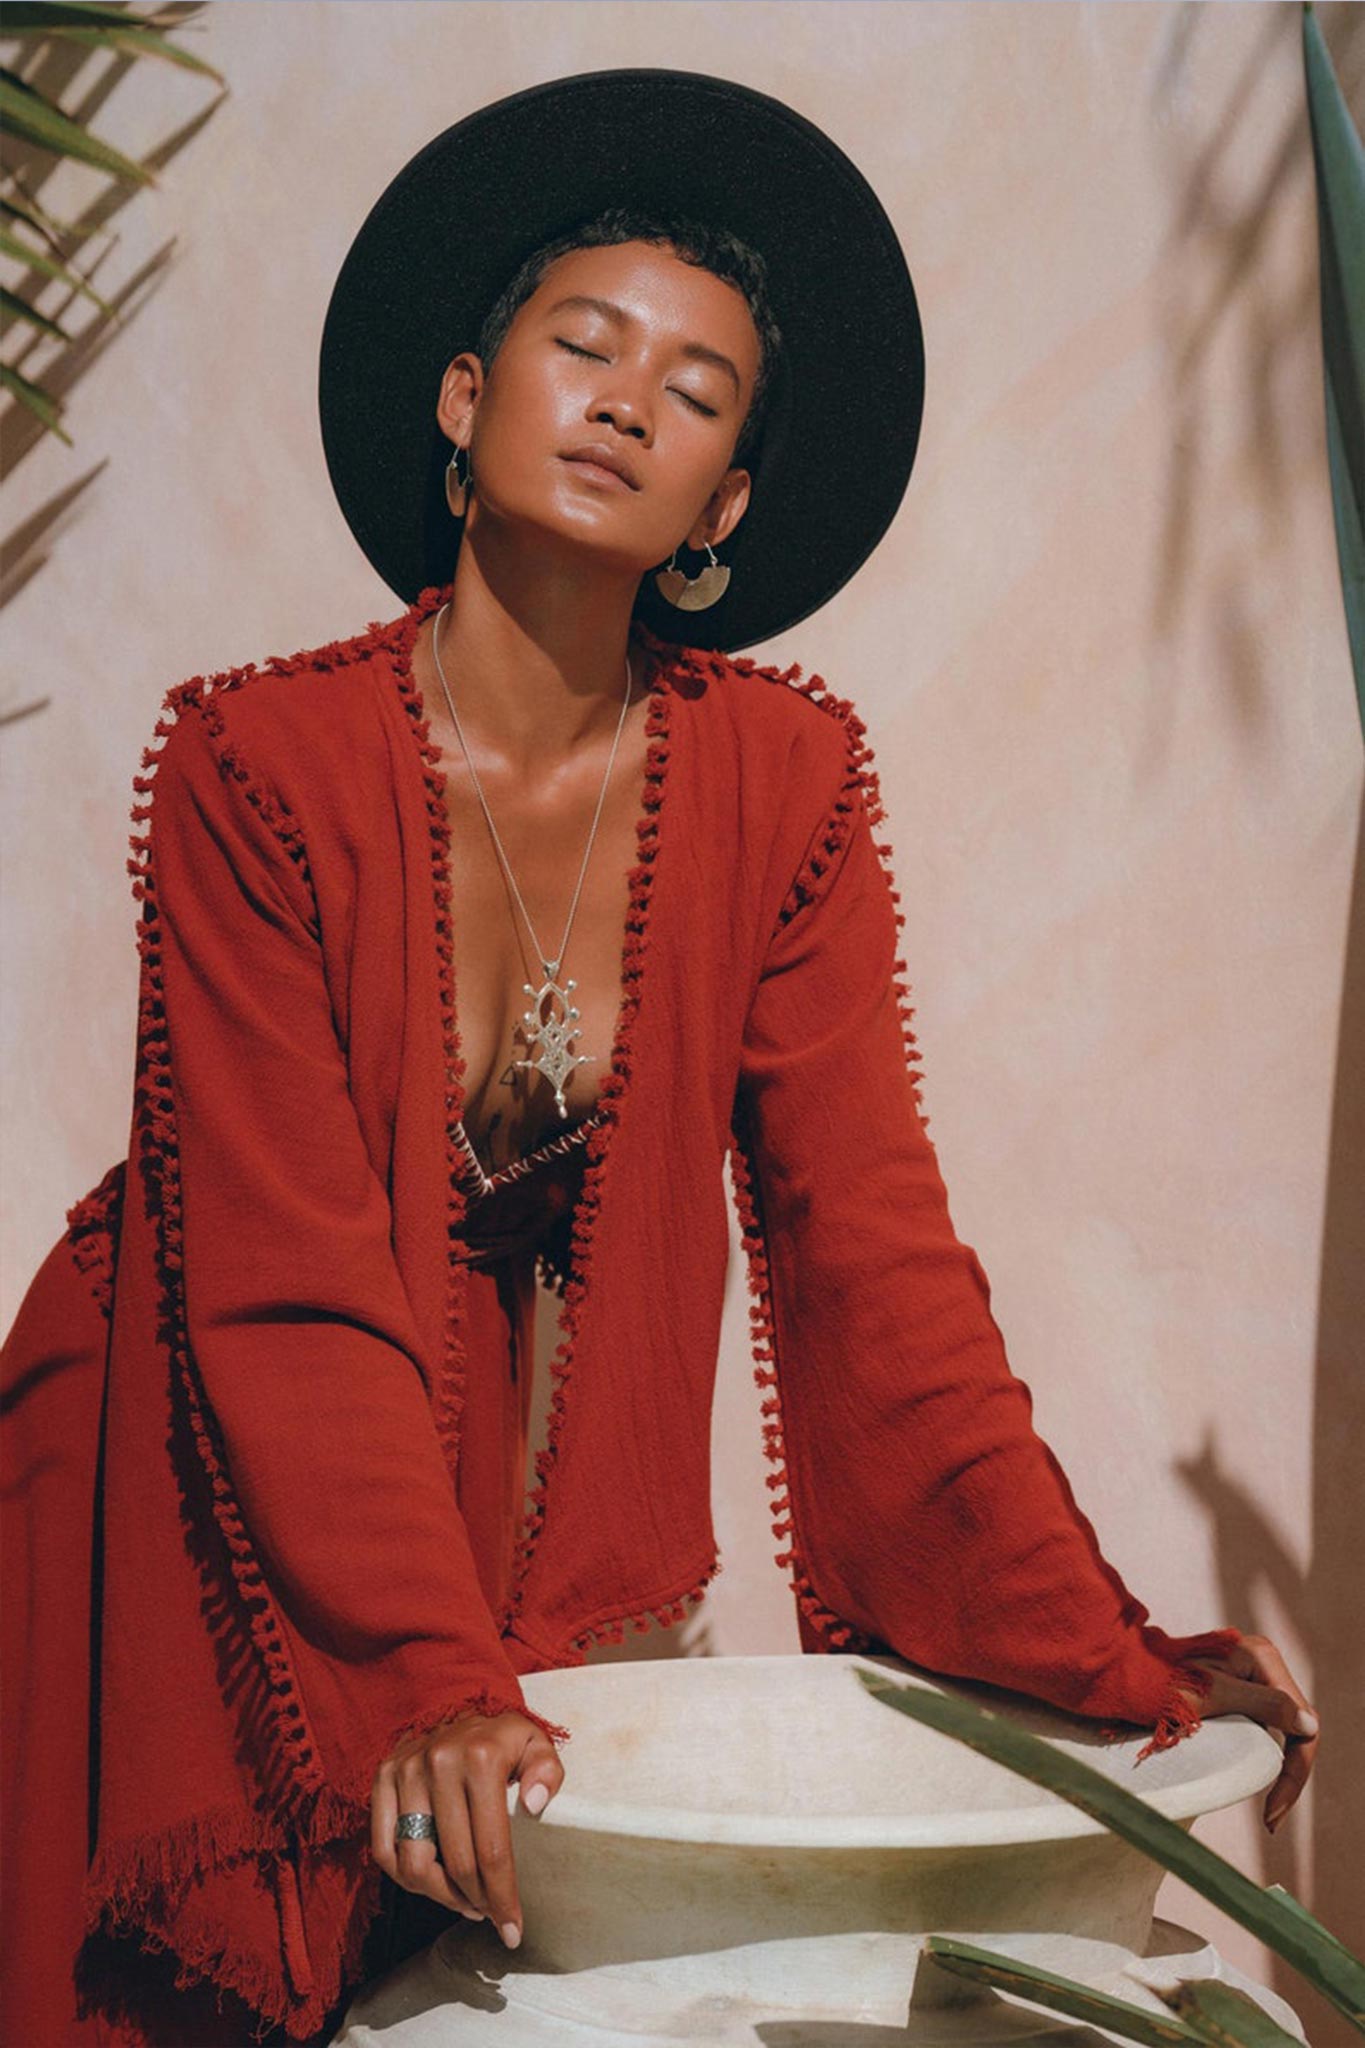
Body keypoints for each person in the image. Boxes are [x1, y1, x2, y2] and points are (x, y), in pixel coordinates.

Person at [0, 66, 1317, 2048]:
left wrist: (1091, 1641)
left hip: (533, 1496)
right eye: (580, 344)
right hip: (189, 1449)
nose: (624, 399)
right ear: (465, 397)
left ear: (725, 505)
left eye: (694, 390)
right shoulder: (248, 763)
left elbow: (873, 1253)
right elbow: (279, 1272)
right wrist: (424, 1662)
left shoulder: (781, 783)